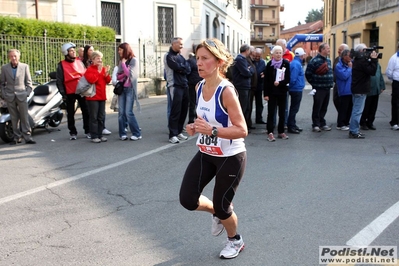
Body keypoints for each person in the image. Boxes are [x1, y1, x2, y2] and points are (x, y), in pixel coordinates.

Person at [179, 38, 247, 259]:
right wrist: (194, 127)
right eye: (197, 58)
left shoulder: (226, 91)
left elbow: (242, 129)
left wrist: (213, 131)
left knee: (223, 205)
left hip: (230, 156)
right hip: (207, 153)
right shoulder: (199, 86)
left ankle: (235, 240)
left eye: (204, 59)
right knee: (188, 199)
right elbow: (204, 119)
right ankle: (216, 213)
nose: (198, 63)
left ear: (218, 62)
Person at [0, 49, 36, 144]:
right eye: (11, 56)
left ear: (19, 57)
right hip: (10, 96)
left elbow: (29, 83)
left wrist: (26, 93)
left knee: (24, 117)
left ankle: (27, 137)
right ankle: (17, 137)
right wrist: (4, 94)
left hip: (22, 95)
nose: (13, 58)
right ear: (9, 57)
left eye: (15, 56)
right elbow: (2, 83)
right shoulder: (4, 68)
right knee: (13, 117)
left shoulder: (24, 67)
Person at [56, 42, 90, 140]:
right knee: (70, 113)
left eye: (74, 51)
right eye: (71, 51)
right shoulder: (61, 65)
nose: (74, 52)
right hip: (69, 92)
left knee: (86, 111)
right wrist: (63, 93)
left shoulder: (80, 62)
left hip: (81, 90)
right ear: (66, 53)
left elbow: (85, 75)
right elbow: (59, 80)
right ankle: (72, 132)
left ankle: (87, 130)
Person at [348, 43, 378, 139]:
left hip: (357, 89)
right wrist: (374, 60)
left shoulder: (357, 60)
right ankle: (354, 131)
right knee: (357, 111)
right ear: (361, 51)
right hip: (360, 90)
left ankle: (354, 130)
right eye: (366, 50)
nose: (368, 52)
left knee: (356, 110)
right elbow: (372, 71)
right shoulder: (361, 61)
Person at [165, 37, 191, 144]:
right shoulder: (168, 56)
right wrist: (182, 68)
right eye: (180, 44)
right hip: (175, 86)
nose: (182, 46)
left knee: (184, 110)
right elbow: (175, 67)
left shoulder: (180, 56)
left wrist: (182, 68)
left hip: (184, 85)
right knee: (175, 111)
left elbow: (188, 68)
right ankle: (172, 134)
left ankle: (179, 131)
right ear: (173, 44)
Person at [263, 45, 291, 141]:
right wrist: (265, 94)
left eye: (280, 52)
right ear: (273, 54)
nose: (278, 54)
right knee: (271, 113)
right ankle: (270, 132)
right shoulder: (269, 64)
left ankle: (281, 131)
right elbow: (266, 80)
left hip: (282, 91)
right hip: (271, 92)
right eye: (276, 53)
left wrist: (280, 83)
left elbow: (288, 78)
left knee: (282, 113)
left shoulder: (286, 63)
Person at [305, 43, 334, 132]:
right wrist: (314, 83)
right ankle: (316, 124)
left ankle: (322, 122)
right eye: (327, 48)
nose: (329, 50)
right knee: (317, 106)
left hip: (327, 87)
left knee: (324, 106)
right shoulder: (314, 61)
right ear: (322, 50)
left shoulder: (328, 60)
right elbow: (308, 73)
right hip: (318, 88)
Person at [116, 42, 142, 141]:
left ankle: (137, 133)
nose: (119, 52)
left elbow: (131, 75)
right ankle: (122, 133)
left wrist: (123, 65)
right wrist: (124, 72)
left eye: (120, 50)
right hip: (122, 89)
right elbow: (118, 75)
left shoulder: (133, 61)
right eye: (118, 50)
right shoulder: (121, 62)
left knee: (128, 112)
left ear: (125, 50)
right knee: (121, 112)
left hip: (130, 89)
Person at [84, 50, 111, 143]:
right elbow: (92, 80)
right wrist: (99, 71)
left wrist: (106, 73)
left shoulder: (103, 69)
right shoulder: (89, 69)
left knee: (101, 116)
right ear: (93, 60)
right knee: (94, 117)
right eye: (98, 58)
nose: (100, 60)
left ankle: (100, 134)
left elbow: (107, 80)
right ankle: (94, 135)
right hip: (93, 97)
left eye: (101, 58)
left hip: (102, 96)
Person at [232, 44, 255, 132]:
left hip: (245, 86)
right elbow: (247, 72)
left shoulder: (243, 59)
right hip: (241, 86)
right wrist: (250, 70)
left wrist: (250, 70)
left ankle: (245, 125)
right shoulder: (239, 60)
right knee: (243, 107)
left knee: (247, 107)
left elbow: (250, 70)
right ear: (247, 50)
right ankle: (241, 127)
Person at [360, 62, 385, 130]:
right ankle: (363, 122)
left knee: (373, 108)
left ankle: (370, 122)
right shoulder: (367, 64)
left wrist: (382, 85)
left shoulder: (378, 64)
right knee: (366, 107)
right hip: (368, 89)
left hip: (376, 89)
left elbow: (380, 76)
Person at [287, 47, 306, 134]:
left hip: (295, 88)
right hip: (296, 88)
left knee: (294, 108)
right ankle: (291, 126)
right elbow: (293, 78)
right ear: (302, 55)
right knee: (294, 108)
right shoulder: (296, 64)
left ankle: (292, 125)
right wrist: (292, 86)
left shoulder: (295, 63)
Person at [334, 49, 353, 131]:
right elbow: (344, 76)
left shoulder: (350, 63)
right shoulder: (338, 66)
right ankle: (340, 123)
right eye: (349, 55)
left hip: (351, 90)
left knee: (349, 108)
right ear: (344, 56)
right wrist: (350, 68)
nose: (351, 57)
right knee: (343, 108)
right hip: (344, 90)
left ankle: (346, 122)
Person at [386, 41, 399, 130]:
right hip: (397, 82)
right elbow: (389, 72)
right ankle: (394, 122)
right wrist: (393, 79)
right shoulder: (394, 58)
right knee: (396, 103)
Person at [332, 44, 349, 112]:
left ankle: (343, 116)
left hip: (345, 84)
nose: (338, 51)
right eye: (338, 50)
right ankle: (341, 114)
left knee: (343, 101)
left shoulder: (348, 61)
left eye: (340, 50)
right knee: (336, 99)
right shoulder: (337, 59)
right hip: (337, 83)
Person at [186, 52, 202, 124]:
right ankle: (193, 119)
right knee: (195, 102)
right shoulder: (195, 61)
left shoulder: (191, 61)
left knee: (193, 103)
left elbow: (187, 71)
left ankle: (193, 120)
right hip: (196, 83)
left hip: (194, 83)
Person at [253, 48, 266, 124]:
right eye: (256, 56)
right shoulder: (251, 61)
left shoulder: (262, 62)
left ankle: (259, 118)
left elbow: (264, 70)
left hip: (259, 84)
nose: (257, 58)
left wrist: (264, 74)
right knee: (249, 104)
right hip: (252, 85)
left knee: (259, 103)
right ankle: (248, 120)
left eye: (259, 56)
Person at [247, 46, 258, 130]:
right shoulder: (247, 60)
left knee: (249, 106)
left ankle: (249, 123)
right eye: (254, 51)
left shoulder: (251, 60)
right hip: (248, 87)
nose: (255, 53)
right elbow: (249, 72)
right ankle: (247, 124)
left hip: (251, 87)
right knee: (247, 107)